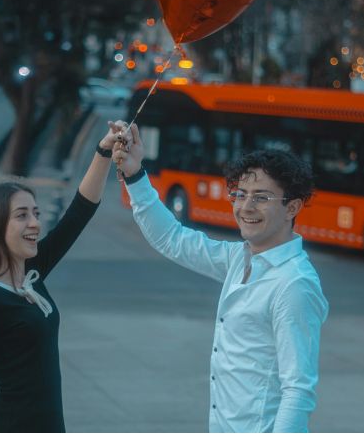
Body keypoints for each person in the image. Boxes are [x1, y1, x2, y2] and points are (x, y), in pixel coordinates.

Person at [113, 124, 329, 433]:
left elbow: (298, 390)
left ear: (292, 207)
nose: (245, 207)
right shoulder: (238, 258)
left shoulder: (293, 285)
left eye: (261, 197)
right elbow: (173, 239)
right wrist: (134, 175)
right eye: (240, 195)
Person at [0, 123, 122, 433]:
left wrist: (104, 151)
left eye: (35, 213)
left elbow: (80, 211)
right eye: (22, 215)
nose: (34, 223)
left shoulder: (32, 273)